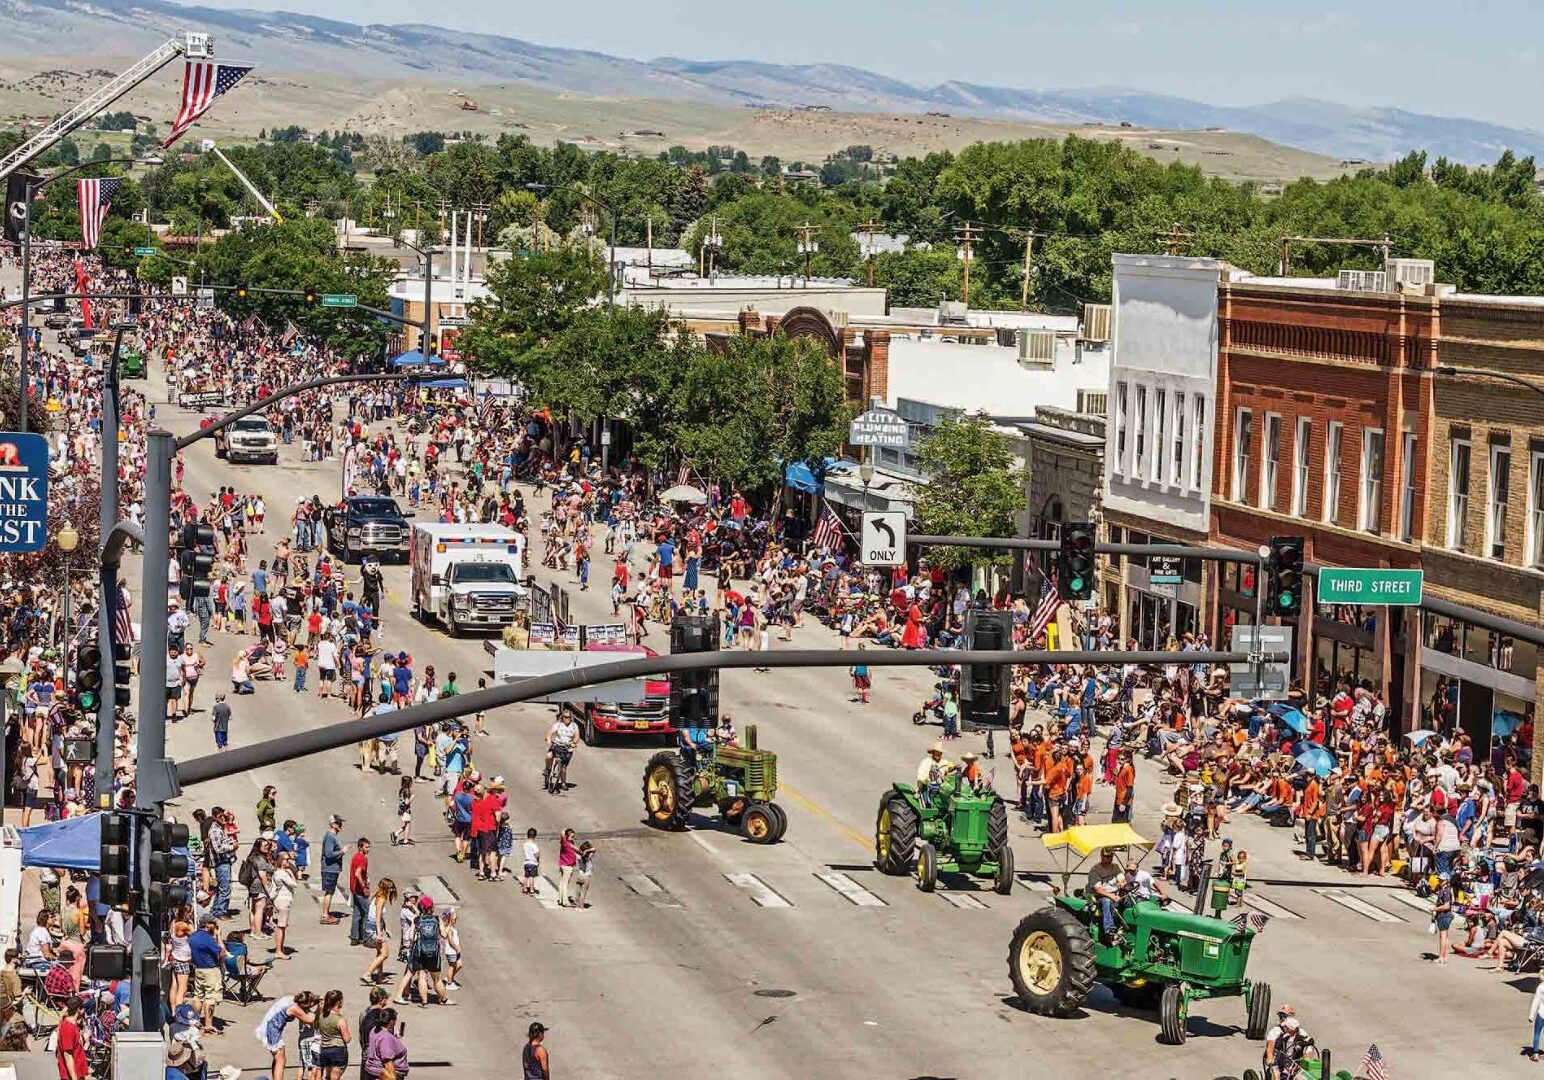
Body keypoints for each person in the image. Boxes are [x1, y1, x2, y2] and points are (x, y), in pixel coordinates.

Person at [256, 991, 319, 1080]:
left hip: (268, 1026)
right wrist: (321, 1010)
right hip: (272, 1030)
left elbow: (306, 1001)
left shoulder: (291, 998)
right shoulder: (294, 1008)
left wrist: (317, 999)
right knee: (281, 1060)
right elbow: (310, 1020)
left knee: (277, 1058)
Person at [189, 915, 226, 1035]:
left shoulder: (193, 936)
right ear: (208, 925)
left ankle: (194, 1021)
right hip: (211, 970)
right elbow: (222, 953)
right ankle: (208, 1025)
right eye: (214, 924)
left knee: (198, 995)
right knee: (210, 997)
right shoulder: (208, 939)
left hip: (198, 969)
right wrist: (219, 937)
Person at [1087, 847, 1124, 945]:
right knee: (1106, 901)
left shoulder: (1115, 867)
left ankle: (1125, 927)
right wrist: (1112, 896)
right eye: (1106, 857)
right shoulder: (1095, 870)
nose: (1108, 859)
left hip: (1116, 894)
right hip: (1100, 896)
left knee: (1130, 899)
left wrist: (1122, 883)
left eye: (1110, 856)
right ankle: (1109, 930)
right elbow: (1098, 889)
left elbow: (1121, 878)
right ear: (1102, 856)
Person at [317, 989, 353, 1080]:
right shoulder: (340, 1019)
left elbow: (316, 1026)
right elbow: (347, 1039)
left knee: (328, 1076)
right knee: (335, 1077)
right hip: (338, 1050)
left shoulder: (321, 1016)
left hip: (325, 1049)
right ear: (338, 1002)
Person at [363, 1008, 409, 1079]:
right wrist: (392, 1077)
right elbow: (387, 1061)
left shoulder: (375, 1029)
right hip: (387, 1074)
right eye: (395, 1019)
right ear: (391, 1021)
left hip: (373, 1070)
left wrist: (395, 1039)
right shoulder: (386, 1037)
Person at [320, 816, 348, 924]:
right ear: (333, 824)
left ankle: (326, 913)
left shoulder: (332, 836)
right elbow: (329, 854)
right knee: (329, 891)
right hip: (329, 869)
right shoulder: (330, 837)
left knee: (330, 891)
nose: (341, 825)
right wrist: (342, 852)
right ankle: (325, 915)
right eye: (338, 823)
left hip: (332, 869)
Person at [55, 994, 87, 1080]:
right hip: (71, 1075)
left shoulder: (73, 1025)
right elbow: (67, 1055)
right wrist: (74, 1077)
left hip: (78, 1072)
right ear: (78, 1010)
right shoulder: (68, 1028)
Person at [349, 838, 372, 946]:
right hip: (359, 890)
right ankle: (364, 937)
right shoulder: (362, 858)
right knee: (366, 912)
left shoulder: (355, 857)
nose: (368, 849)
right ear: (360, 847)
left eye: (369, 847)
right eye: (366, 847)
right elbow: (358, 874)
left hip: (354, 889)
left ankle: (354, 937)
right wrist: (364, 887)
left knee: (357, 913)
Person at [1528, 978, 1544, 1061]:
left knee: (1537, 1033)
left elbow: (1536, 1001)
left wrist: (1531, 1015)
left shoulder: (1541, 987)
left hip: (1541, 1013)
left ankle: (1535, 1053)